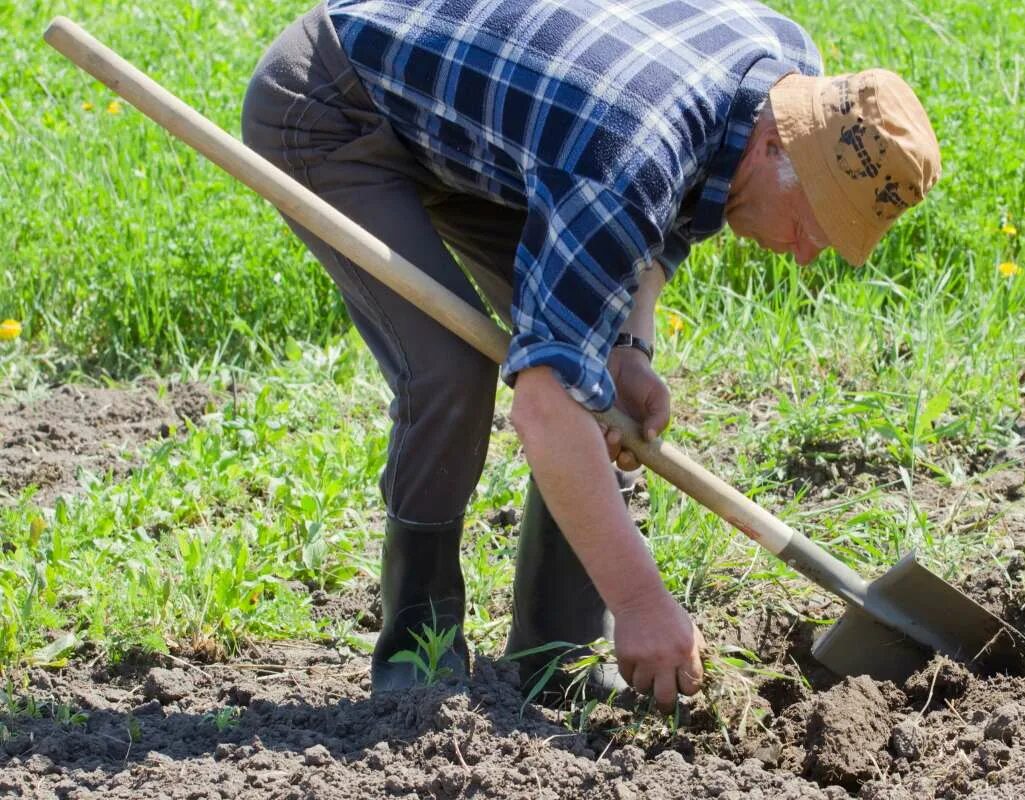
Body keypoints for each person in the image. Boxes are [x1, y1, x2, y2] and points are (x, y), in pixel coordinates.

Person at [241, 0, 940, 710]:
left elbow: (670, 208)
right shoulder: (633, 152)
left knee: (594, 368)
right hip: (340, 104)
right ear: (774, 147)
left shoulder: (790, 76)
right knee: (451, 367)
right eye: (810, 226)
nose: (804, 254)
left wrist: (629, 347)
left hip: (482, 128)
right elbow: (545, 405)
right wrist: (641, 602)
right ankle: (417, 654)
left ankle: (556, 655)